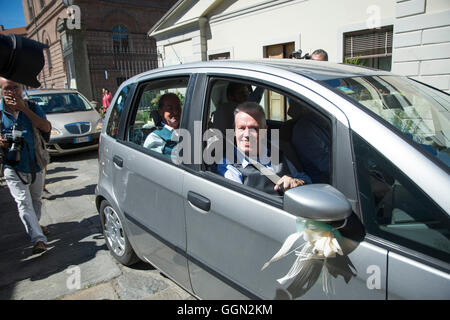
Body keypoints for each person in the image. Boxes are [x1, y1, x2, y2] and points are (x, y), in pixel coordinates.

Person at [0, 77, 52, 255]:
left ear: (22, 88)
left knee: (36, 201)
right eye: (7, 88)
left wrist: (23, 109)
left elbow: (45, 127)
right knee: (23, 202)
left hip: (35, 163)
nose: (12, 92)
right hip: (12, 166)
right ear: (1, 90)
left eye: (15, 87)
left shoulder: (31, 107)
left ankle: (35, 225)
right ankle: (38, 239)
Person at [216, 102, 311, 197]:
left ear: (264, 130)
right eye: (241, 128)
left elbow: (305, 179)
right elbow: (238, 203)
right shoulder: (228, 165)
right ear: (234, 131)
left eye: (253, 129)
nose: (246, 135)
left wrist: (296, 182)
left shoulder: (277, 152)